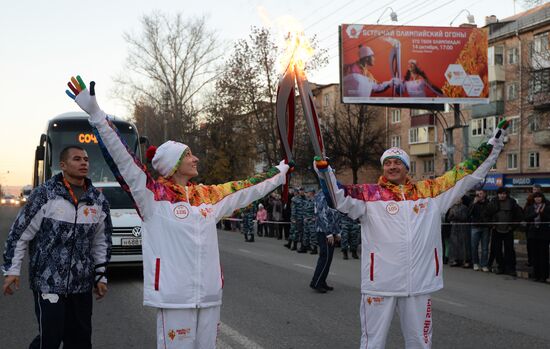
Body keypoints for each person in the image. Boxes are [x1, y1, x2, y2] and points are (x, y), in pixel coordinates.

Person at [66, 76, 290, 349]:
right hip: (174, 298)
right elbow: (124, 160)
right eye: (188, 155)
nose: (195, 159)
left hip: (209, 296)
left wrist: (280, 173)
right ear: (172, 165)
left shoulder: (206, 196)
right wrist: (97, 115)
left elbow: (246, 189)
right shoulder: (151, 196)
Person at [314, 120, 508, 348]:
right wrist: (324, 171)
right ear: (383, 168)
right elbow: (338, 197)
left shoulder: (431, 192)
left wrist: (493, 145)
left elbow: (465, 174)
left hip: (419, 284)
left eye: (397, 162)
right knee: (372, 342)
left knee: (420, 342)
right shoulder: (368, 194)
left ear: (407, 168)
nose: (392, 166)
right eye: (388, 163)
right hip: (380, 284)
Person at [2, 145, 112, 349]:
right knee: (50, 338)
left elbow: (101, 241)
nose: (83, 163)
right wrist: (12, 270)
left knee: (80, 340)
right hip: (48, 281)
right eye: (77, 159)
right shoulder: (45, 194)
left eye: (86, 160)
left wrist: (100, 276)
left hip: (81, 284)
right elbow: (19, 233)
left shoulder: (97, 199)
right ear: (63, 165)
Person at [486, 187, 524, 276]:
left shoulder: (512, 202)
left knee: (509, 250)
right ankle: (501, 267)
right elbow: (486, 215)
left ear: (507, 194)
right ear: (498, 194)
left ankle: (510, 268)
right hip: (496, 230)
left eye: (504, 193)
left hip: (508, 231)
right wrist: (492, 225)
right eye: (500, 193)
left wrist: (512, 227)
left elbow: (519, 216)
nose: (502, 195)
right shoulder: (493, 202)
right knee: (497, 250)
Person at [310, 190, 341, 293]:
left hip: (330, 232)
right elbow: (321, 215)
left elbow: (335, 214)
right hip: (323, 231)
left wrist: (337, 232)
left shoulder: (331, 194)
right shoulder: (322, 195)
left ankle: (322, 281)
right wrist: (328, 233)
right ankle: (316, 282)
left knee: (328, 258)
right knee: (325, 257)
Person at [523, 192, 550, 282]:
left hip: (544, 234)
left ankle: (544, 275)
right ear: (533, 199)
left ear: (542, 198)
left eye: (539, 197)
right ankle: (536, 275)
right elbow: (526, 218)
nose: (538, 199)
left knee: (544, 255)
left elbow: (548, 218)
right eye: (536, 197)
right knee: (535, 255)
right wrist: (535, 213)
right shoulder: (530, 208)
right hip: (533, 234)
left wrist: (542, 213)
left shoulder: (547, 207)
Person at [469, 189, 491, 272]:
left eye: (481, 193)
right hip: (475, 226)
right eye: (477, 194)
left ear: (485, 194)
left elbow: (490, 214)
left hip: (485, 227)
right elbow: (469, 213)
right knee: (474, 246)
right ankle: (475, 263)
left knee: (485, 247)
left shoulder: (488, 203)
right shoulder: (473, 203)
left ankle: (484, 264)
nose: (479, 195)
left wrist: (489, 224)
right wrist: (474, 203)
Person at [447, 196, 471, 268]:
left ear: (461, 200)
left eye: (459, 199)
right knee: (454, 244)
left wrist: (455, 215)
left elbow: (464, 217)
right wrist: (451, 215)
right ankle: (454, 260)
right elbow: (448, 218)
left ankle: (465, 260)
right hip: (454, 228)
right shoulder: (452, 207)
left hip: (462, 228)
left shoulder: (464, 207)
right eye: (456, 199)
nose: (457, 200)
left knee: (463, 244)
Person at [524, 184, 543, 266]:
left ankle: (540, 261)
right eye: (534, 189)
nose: (535, 191)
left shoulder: (544, 201)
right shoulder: (529, 200)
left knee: (540, 246)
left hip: (541, 227)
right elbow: (526, 213)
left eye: (537, 189)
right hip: (530, 226)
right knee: (530, 245)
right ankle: (531, 260)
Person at [301, 188, 318, 255]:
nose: (306, 193)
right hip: (306, 220)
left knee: (313, 235)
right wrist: (304, 217)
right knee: (306, 234)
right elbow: (304, 210)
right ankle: (305, 247)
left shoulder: (315, 201)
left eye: (307, 192)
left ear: (311, 193)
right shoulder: (307, 201)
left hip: (312, 221)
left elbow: (318, 211)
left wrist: (314, 217)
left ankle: (314, 248)